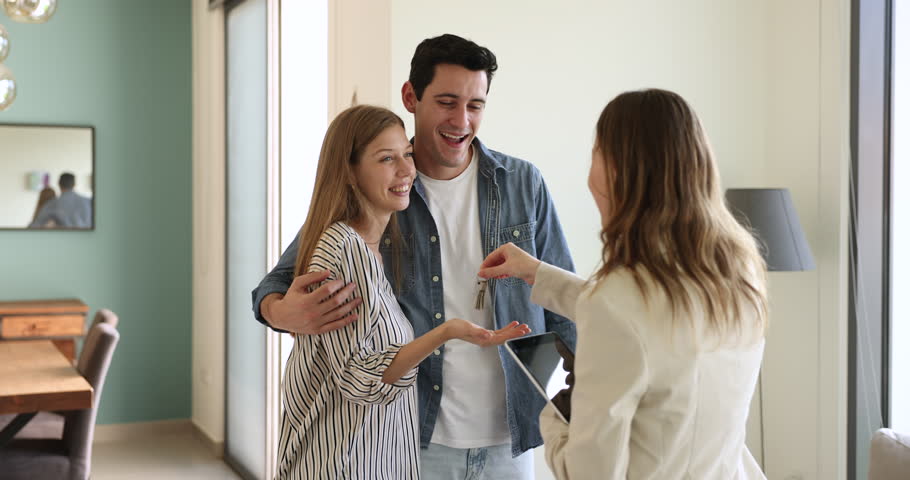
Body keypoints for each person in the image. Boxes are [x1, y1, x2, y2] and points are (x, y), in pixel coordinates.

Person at [253, 34, 577, 478]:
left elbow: (562, 306)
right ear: (412, 96)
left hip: (512, 438)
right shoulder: (379, 190)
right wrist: (280, 312)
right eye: (446, 101)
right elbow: (277, 283)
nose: (461, 120)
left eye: (475, 105)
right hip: (417, 437)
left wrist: (575, 412)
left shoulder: (522, 183)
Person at [479, 89, 770, 479]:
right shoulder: (737, 271)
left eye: (596, 151)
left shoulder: (619, 300)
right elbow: (652, 321)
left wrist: (557, 412)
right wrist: (536, 272)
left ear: (619, 171)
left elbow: (591, 472)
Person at [276, 104, 530, 479]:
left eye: (407, 155)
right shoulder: (345, 248)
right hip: (341, 465)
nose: (407, 170)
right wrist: (449, 331)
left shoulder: (373, 248)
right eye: (386, 159)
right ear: (349, 171)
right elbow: (362, 378)